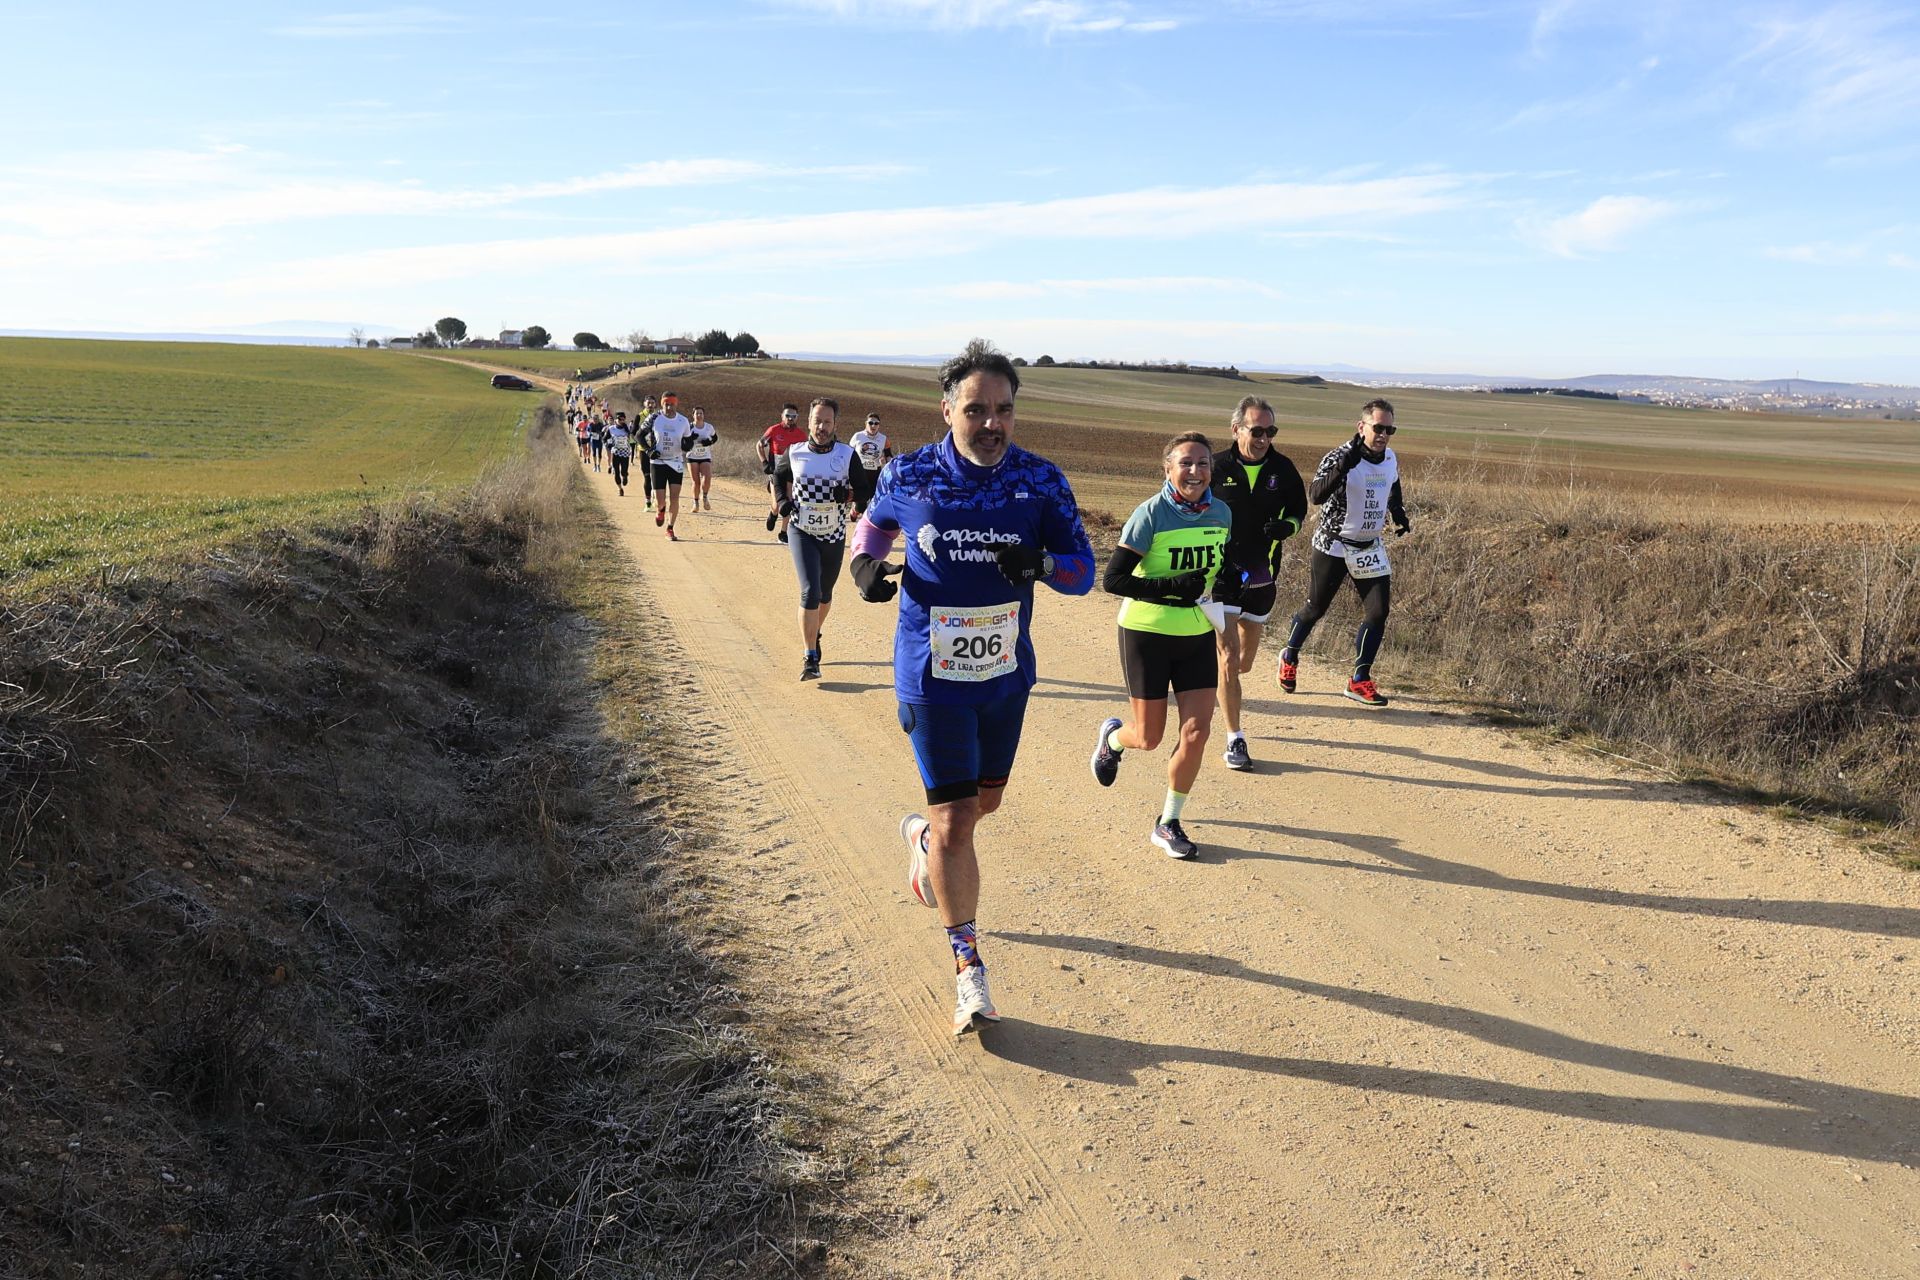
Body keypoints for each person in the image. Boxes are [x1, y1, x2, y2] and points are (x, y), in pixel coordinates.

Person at [850, 339, 1094, 1035]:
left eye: (1004, 410)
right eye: (977, 409)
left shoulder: (1040, 481)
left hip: (1004, 674)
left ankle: (926, 839)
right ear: (948, 409)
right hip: (930, 674)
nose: (992, 423)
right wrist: (866, 570)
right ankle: (970, 974)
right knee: (961, 825)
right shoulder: (909, 473)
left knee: (983, 806)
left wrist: (1043, 561)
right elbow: (869, 533)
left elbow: (1083, 571)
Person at [1088, 433, 1231, 860]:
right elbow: (1112, 580)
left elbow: (1214, 570)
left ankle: (1168, 822)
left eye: (1203, 463)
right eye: (1185, 463)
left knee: (1198, 731)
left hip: (1196, 633)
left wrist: (1227, 582)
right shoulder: (1150, 514)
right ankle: (1113, 740)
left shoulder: (1222, 512)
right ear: (1167, 469)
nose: (1195, 471)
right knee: (1148, 737)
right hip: (1146, 633)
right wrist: (1169, 587)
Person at [1276, 398, 1411, 707]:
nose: (1384, 435)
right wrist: (1343, 466)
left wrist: (1398, 513)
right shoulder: (1339, 456)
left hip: (1369, 545)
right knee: (1315, 608)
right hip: (1334, 544)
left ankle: (1359, 679)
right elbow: (1316, 495)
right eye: (1378, 428)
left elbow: (1393, 486)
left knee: (1378, 612)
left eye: (1390, 429)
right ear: (1361, 427)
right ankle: (1290, 654)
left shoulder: (1390, 457)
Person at [1208, 397, 1307, 770]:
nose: (1265, 437)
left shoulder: (1283, 469)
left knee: (1245, 662)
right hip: (1220, 577)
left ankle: (1222, 675)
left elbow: (1299, 510)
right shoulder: (1215, 466)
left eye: (1271, 431)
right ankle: (1235, 739)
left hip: (1262, 576)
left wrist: (1289, 527)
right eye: (1257, 430)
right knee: (1228, 659)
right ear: (1236, 430)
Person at [774, 397, 856, 680]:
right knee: (810, 590)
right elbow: (777, 476)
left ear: (835, 424)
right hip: (801, 530)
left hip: (833, 533)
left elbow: (865, 492)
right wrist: (783, 501)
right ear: (808, 422)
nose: (822, 427)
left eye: (827, 422)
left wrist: (847, 496)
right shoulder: (794, 452)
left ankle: (815, 633)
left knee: (825, 594)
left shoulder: (847, 455)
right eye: (817, 421)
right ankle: (810, 657)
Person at [643, 391, 694, 539]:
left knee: (675, 497)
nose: (669, 407)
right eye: (666, 404)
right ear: (661, 404)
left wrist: (687, 445)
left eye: (672, 404)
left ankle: (670, 528)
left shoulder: (683, 421)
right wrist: (648, 451)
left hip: (675, 462)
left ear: (676, 404)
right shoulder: (654, 418)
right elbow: (639, 435)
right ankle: (660, 511)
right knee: (660, 500)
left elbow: (689, 441)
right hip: (658, 462)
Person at [757, 403, 808, 541]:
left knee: (788, 501)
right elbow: (759, 444)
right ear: (782, 416)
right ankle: (772, 513)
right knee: (777, 505)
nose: (790, 419)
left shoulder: (801, 435)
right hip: (775, 472)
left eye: (793, 416)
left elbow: (808, 453)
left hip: (792, 473)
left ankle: (783, 533)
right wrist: (764, 462)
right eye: (787, 416)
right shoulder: (774, 430)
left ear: (797, 418)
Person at [847, 411, 892, 519]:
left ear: (879, 425)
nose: (873, 426)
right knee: (861, 504)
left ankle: (867, 522)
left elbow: (888, 455)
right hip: (859, 472)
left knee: (874, 499)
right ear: (865, 424)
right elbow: (848, 453)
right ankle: (855, 510)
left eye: (876, 423)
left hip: (875, 472)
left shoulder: (884, 439)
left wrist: (888, 463)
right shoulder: (858, 436)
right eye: (871, 423)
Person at [685, 406, 718, 511]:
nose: (699, 415)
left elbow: (715, 437)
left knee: (707, 478)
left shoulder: (709, 427)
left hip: (705, 456)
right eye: (697, 413)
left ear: (704, 415)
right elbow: (682, 440)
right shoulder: (689, 427)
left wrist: (709, 442)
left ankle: (704, 497)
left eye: (701, 413)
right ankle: (695, 503)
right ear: (693, 415)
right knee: (696, 482)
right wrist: (690, 439)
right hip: (692, 456)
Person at [606, 411, 635, 497]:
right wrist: (609, 444)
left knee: (623, 472)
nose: (621, 421)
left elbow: (633, 439)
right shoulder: (611, 429)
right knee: (617, 472)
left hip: (625, 453)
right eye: (619, 419)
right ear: (616, 419)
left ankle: (625, 476)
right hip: (615, 453)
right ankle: (620, 489)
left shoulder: (627, 429)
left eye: (623, 419)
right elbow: (604, 438)